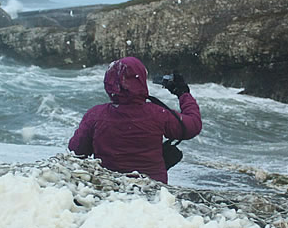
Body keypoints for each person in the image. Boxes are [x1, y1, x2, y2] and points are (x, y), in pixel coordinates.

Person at [68, 56, 202, 184]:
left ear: (109, 83)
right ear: (142, 81)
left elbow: (77, 151)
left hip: (109, 186)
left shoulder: (95, 115)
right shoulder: (158, 114)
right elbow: (193, 125)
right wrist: (183, 93)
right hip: (152, 189)